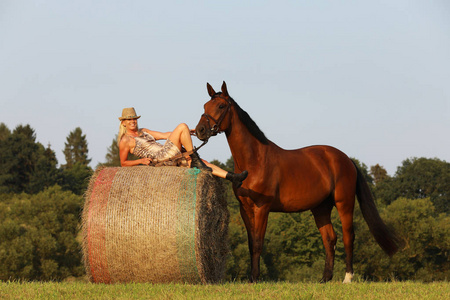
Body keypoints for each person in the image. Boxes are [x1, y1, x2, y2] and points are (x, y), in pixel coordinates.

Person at [118, 107, 248, 188]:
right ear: (123, 123)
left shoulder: (144, 131)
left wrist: (187, 133)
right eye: (129, 120)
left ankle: (233, 177)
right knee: (182, 126)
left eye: (134, 119)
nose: (133, 121)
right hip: (159, 159)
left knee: (204, 164)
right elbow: (123, 163)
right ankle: (193, 157)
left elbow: (166, 135)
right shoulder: (125, 140)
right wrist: (140, 161)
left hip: (167, 154)